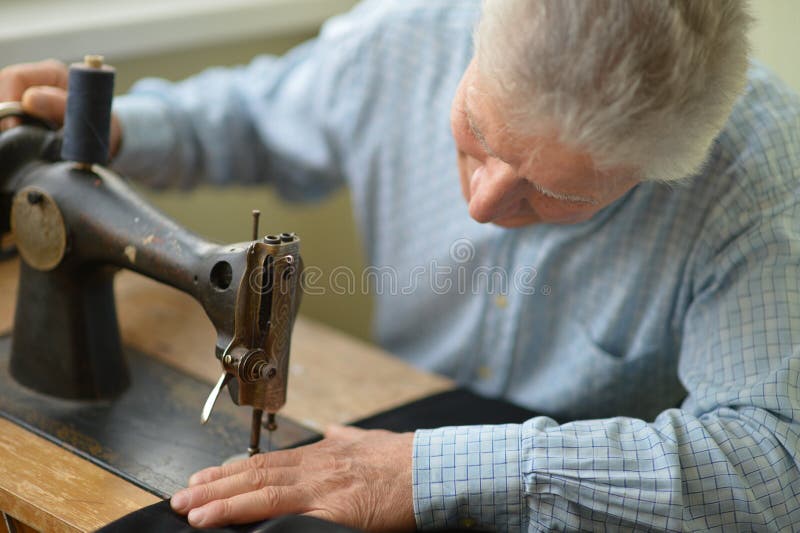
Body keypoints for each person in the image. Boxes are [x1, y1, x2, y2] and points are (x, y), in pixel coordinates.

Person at [2, 0, 799, 530]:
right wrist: (120, 134)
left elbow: (775, 465)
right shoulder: (408, 36)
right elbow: (253, 116)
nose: (485, 203)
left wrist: (428, 471)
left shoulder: (757, 178)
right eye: (479, 131)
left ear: (662, 168)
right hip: (393, 406)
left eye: (556, 192)